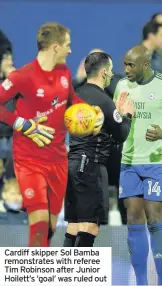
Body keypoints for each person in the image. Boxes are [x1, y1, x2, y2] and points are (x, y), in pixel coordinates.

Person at [0, 22, 83, 247]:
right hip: (29, 159)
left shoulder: (64, 73)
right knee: (39, 225)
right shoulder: (22, 76)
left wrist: (93, 113)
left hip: (57, 159)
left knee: (49, 228)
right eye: (68, 45)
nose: (70, 50)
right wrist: (23, 124)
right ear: (55, 47)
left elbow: (73, 102)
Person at [114, 45, 162, 285]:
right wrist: (118, 115)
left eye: (131, 65)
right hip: (129, 162)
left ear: (145, 65)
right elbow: (117, 124)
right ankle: (141, 282)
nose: (125, 69)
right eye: (124, 64)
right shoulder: (122, 86)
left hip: (156, 163)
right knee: (133, 218)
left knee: (154, 219)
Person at [63, 52, 134, 247]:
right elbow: (121, 134)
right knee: (89, 227)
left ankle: (63, 275)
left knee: (74, 225)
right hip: (92, 168)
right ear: (104, 72)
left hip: (72, 164)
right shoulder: (104, 101)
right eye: (110, 70)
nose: (112, 74)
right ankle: (80, 276)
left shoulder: (75, 95)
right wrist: (126, 115)